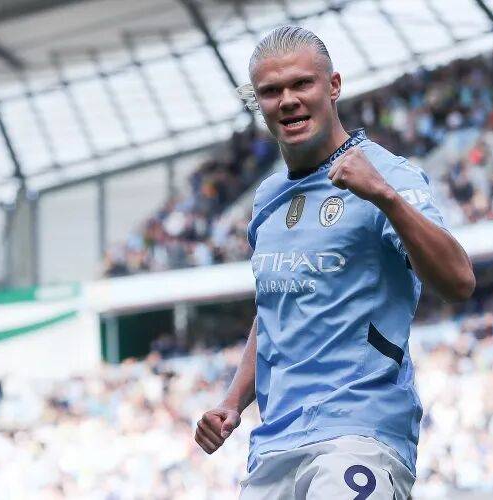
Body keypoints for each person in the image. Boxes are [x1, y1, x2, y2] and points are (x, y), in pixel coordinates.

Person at [194, 26, 475, 499]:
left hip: (358, 433)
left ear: (333, 86)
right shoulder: (267, 197)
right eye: (271, 91)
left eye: (302, 84)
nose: (288, 100)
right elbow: (275, 309)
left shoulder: (389, 175)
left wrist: (385, 198)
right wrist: (233, 401)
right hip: (274, 445)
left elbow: (459, 282)